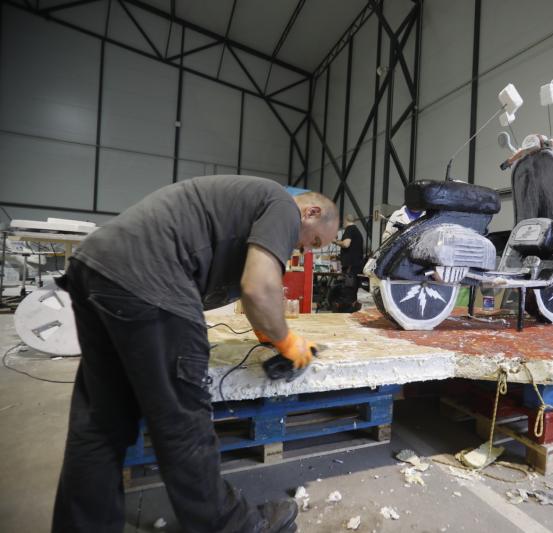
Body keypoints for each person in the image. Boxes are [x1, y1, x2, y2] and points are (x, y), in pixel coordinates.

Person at [52, 175, 339, 533]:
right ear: (311, 212)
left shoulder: (245, 202)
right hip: (149, 279)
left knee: (100, 422)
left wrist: (267, 328)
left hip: (94, 266)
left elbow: (250, 287)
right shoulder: (282, 204)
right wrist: (287, 342)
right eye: (311, 241)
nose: (303, 251)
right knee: (183, 424)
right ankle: (234, 527)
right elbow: (258, 287)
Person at [329, 214, 364, 312]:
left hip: (350, 267)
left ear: (345, 220)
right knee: (352, 292)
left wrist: (335, 241)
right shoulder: (356, 231)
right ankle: (351, 313)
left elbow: (346, 244)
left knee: (347, 293)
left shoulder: (350, 229)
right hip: (355, 266)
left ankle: (345, 313)